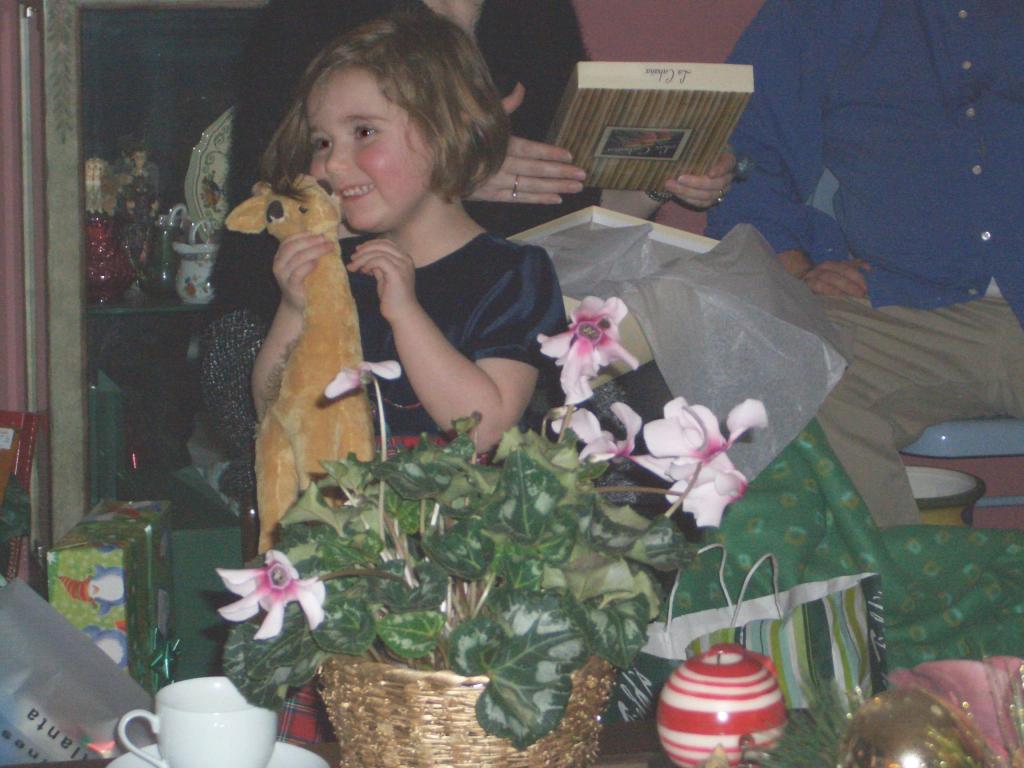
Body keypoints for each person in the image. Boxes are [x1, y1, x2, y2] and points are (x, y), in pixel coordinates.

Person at [202, 0, 735, 510]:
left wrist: (658, 180)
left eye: (362, 133)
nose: (331, 164)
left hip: (463, 511)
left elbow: (485, 427)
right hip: (352, 501)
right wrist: (294, 308)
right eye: (322, 142)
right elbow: (274, 406)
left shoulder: (509, 275)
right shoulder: (341, 264)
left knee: (630, 445)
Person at [706, 0, 1024, 527]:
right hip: (912, 307)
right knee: (784, 371)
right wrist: (798, 269)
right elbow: (746, 158)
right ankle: (891, 573)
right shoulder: (822, 14)